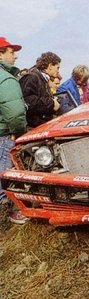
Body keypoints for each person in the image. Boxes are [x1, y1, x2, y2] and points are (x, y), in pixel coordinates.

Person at [0, 36, 28, 224]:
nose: (15, 56)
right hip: (4, 135)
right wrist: (17, 131)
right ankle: (8, 214)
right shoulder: (6, 79)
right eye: (11, 52)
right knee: (6, 177)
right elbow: (16, 111)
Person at [19, 52, 61, 128]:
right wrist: (52, 103)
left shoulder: (43, 79)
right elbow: (28, 100)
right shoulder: (32, 77)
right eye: (57, 67)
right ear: (50, 66)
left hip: (41, 125)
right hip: (33, 127)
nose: (58, 71)